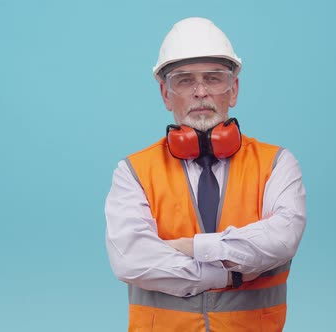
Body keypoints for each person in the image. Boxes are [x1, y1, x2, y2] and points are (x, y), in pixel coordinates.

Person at [105, 17, 306, 331]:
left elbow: (281, 240)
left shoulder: (277, 164)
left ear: (233, 89)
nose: (200, 92)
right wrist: (228, 273)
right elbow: (131, 259)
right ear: (166, 94)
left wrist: (193, 247)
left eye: (213, 79)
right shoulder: (133, 172)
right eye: (184, 80)